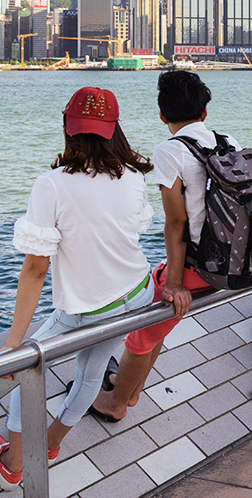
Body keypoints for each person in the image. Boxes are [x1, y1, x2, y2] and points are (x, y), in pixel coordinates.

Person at [0, 88, 155, 491]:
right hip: (137, 293)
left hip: (86, 307)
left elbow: (36, 268)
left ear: (68, 128)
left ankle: (14, 461)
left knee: (27, 368)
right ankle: (53, 442)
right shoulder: (132, 176)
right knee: (91, 371)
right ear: (114, 130)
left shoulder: (52, 184)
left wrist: (13, 343)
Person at [91, 69, 229, 422]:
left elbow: (176, 222)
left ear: (162, 115)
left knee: (142, 333)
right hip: (239, 262)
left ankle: (116, 402)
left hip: (201, 268)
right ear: (205, 113)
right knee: (157, 320)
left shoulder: (170, 150)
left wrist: (174, 282)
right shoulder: (229, 141)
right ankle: (130, 386)